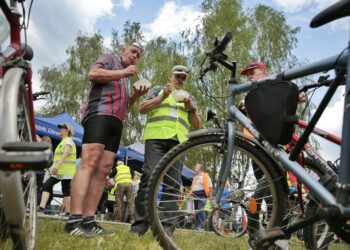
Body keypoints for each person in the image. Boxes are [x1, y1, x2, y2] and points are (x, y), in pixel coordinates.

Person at [65, 42, 149, 237]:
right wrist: (124, 73)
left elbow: (126, 106)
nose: (135, 56)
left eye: (138, 55)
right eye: (132, 52)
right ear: (123, 51)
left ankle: (89, 219)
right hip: (99, 114)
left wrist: (136, 95)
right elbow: (93, 75)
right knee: (90, 162)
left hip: (116, 121)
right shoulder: (109, 60)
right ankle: (73, 220)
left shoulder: (127, 78)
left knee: (103, 170)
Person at [130, 65, 202, 236]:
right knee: (148, 178)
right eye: (177, 75)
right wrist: (163, 96)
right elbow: (142, 109)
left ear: (187, 80)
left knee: (173, 185)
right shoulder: (158, 90)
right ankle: (139, 226)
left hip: (179, 142)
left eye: (184, 77)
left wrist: (192, 109)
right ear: (171, 76)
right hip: (156, 139)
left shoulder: (190, 98)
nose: (180, 79)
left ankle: (166, 230)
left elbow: (198, 126)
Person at [38, 123, 77, 216]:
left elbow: (66, 153)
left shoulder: (68, 140)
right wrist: (54, 167)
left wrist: (57, 166)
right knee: (51, 186)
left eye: (62, 128)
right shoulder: (63, 141)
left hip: (65, 171)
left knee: (61, 189)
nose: (60, 129)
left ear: (67, 131)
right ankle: (42, 208)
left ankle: (67, 212)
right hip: (60, 171)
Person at [189, 163, 213, 230]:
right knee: (196, 210)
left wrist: (210, 195)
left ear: (200, 168)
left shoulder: (205, 176)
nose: (195, 168)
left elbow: (210, 186)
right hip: (195, 194)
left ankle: (202, 225)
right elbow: (193, 187)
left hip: (202, 194)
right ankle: (197, 226)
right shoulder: (195, 177)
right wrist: (190, 194)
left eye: (196, 167)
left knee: (200, 209)